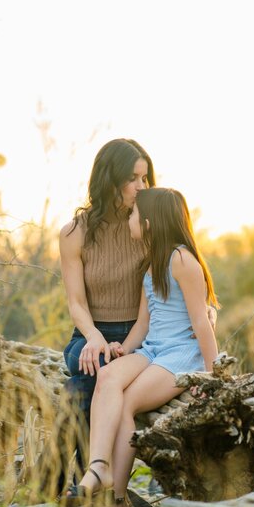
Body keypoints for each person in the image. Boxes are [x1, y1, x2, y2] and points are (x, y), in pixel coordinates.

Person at [62, 187, 219, 507]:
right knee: (108, 377)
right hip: (152, 349)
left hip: (181, 355)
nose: (129, 219)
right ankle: (98, 467)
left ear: (147, 223)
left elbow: (202, 326)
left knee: (127, 401)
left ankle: (117, 500)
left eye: (133, 215)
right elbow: (144, 323)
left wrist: (213, 376)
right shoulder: (152, 266)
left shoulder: (182, 261)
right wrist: (123, 350)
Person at [58, 138, 156, 485]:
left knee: (78, 392)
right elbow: (76, 303)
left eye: (145, 178)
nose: (141, 187)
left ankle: (78, 482)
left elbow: (179, 273)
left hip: (140, 338)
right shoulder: (74, 232)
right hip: (90, 335)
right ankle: (92, 482)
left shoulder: (148, 228)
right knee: (90, 366)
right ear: (109, 179)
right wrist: (95, 337)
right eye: (133, 178)